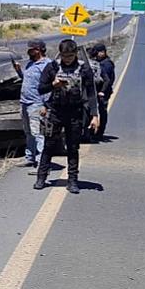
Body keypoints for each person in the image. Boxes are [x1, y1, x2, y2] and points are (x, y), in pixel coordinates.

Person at [34, 39, 100, 194]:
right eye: (64, 55)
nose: (67, 59)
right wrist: (53, 85)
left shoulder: (84, 69)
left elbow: (91, 94)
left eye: (70, 55)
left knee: (72, 147)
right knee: (49, 146)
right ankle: (41, 178)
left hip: (75, 113)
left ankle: (72, 181)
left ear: (76, 53)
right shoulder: (53, 67)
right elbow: (41, 89)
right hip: (55, 111)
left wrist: (94, 115)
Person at [15, 39, 51, 168]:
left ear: (39, 50)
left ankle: (42, 162)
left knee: (38, 134)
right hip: (25, 103)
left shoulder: (47, 65)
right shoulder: (31, 64)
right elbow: (27, 80)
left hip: (37, 103)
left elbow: (49, 86)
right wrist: (19, 71)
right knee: (28, 132)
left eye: (31, 49)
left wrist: (45, 105)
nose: (28, 52)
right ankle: (30, 157)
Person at [90, 43, 115, 141]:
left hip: (104, 92)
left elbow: (107, 80)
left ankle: (100, 132)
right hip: (97, 90)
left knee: (102, 111)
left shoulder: (107, 64)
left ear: (103, 52)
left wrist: (102, 91)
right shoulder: (99, 62)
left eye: (98, 53)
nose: (96, 55)